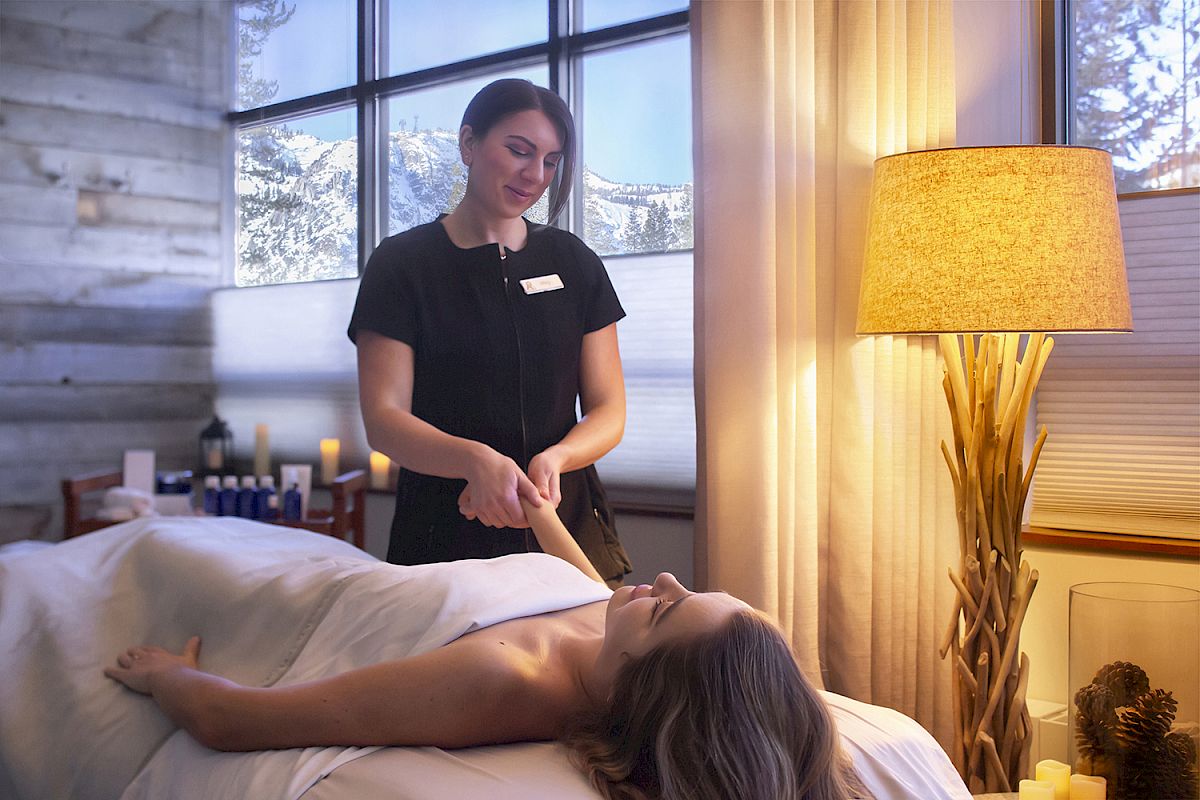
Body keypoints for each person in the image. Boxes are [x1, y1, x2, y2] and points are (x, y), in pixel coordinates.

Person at [105, 500, 866, 800]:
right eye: (690, 587)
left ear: (649, 685)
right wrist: (541, 511)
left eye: (667, 610)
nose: (661, 579)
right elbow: (590, 584)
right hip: (339, 569)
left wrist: (172, 677)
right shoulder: (616, 632)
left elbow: (236, 723)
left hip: (278, 596)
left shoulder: (503, 682)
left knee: (158, 541)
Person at [347, 78, 631, 585]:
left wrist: (559, 457)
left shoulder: (574, 262)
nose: (535, 174)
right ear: (469, 143)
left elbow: (609, 409)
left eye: (549, 160)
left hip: (563, 530)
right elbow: (385, 419)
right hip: (444, 539)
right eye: (519, 151)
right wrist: (474, 460)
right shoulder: (402, 264)